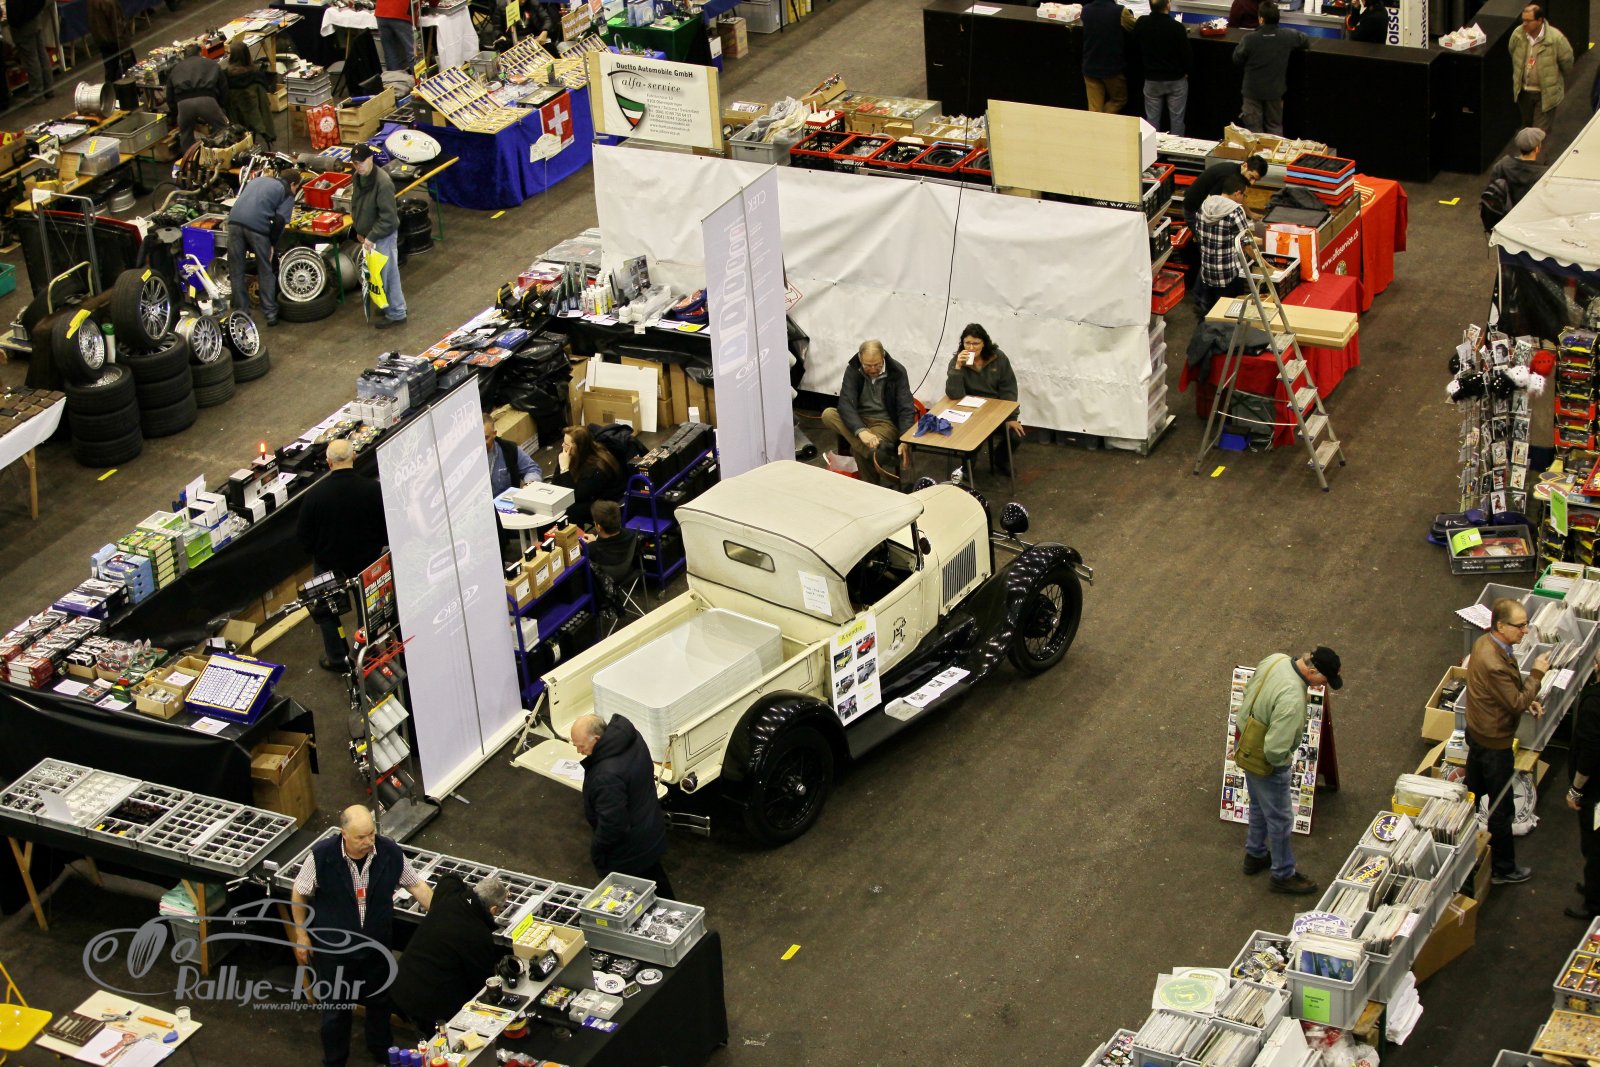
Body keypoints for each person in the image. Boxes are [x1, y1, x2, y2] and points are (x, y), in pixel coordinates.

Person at [291, 806, 433, 1067]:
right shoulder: (321, 856)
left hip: (376, 947)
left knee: (380, 1001)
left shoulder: (389, 852)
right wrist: (301, 934)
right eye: (361, 837)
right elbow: (299, 891)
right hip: (335, 952)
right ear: (344, 834)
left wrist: (440, 915)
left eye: (371, 834)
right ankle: (335, 1060)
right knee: (336, 1009)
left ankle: (381, 1051)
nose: (369, 841)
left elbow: (416, 885)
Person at [1235, 647, 1342, 895]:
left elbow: (1250, 690)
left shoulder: (1276, 659)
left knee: (1258, 805)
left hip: (1245, 740)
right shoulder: (1293, 697)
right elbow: (1275, 750)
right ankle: (1283, 874)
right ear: (1312, 671)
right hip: (1264, 757)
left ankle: (1255, 854)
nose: (1323, 686)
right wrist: (1283, 765)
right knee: (1281, 819)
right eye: (1324, 680)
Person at [1466, 597, 1550, 886]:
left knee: (1472, 793)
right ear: (1501, 626)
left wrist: (1528, 700)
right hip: (1494, 744)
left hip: (1479, 732)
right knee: (1501, 808)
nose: (1525, 631)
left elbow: (1505, 694)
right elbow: (1514, 702)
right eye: (1520, 625)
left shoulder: (1486, 644)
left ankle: (1465, 847)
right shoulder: (1494, 662)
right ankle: (1503, 869)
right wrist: (1536, 675)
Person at [295, 438, 389, 672]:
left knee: (327, 610)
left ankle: (337, 658)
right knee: (369, 608)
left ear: (328, 463)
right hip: (367, 561)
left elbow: (303, 536)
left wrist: (318, 553)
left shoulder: (315, 496)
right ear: (354, 456)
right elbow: (385, 525)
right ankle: (367, 653)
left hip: (328, 564)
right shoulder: (372, 489)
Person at [570, 713, 674, 899]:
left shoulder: (605, 776)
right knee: (658, 885)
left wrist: (597, 851)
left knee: (640, 899)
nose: (579, 751)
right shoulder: (632, 739)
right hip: (649, 830)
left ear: (596, 739)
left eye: (581, 746)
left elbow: (613, 825)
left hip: (631, 851)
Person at [389, 873, 504, 1030]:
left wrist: (469, 895)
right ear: (493, 909)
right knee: (437, 1039)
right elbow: (482, 984)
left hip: (401, 984)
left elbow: (450, 878)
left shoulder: (449, 895)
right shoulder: (479, 935)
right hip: (428, 1006)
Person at [819, 340, 915, 487]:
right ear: (860, 358)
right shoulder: (853, 370)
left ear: (883, 356)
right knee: (828, 414)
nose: (873, 369)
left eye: (877, 365)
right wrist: (861, 431)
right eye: (868, 365)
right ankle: (878, 454)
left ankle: (871, 487)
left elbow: (906, 408)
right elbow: (846, 403)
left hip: (885, 423)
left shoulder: (897, 371)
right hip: (859, 419)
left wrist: (905, 439)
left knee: (857, 449)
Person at [227, 168, 302, 327]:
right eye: (297, 188)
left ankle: (241, 313)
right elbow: (280, 221)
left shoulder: (257, 180)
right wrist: (272, 244)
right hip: (257, 228)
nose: (295, 191)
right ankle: (270, 313)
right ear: (293, 184)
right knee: (265, 269)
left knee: (236, 270)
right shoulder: (287, 192)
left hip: (233, 223)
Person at [944, 324, 1023, 475]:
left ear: (984, 343)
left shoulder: (998, 358)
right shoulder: (957, 361)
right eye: (967, 343)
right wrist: (958, 367)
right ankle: (968, 467)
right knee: (972, 437)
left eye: (976, 343)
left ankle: (1001, 460)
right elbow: (954, 394)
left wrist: (1011, 417)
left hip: (995, 411)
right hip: (970, 411)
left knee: (1015, 435)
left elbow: (1009, 388)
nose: (971, 348)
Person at [350, 144, 407, 330]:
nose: (359, 166)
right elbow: (357, 204)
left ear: (370, 159)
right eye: (355, 163)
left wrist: (372, 236)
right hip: (370, 236)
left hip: (383, 235)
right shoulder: (358, 177)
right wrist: (359, 229)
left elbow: (389, 218)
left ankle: (397, 312)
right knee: (379, 275)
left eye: (361, 162)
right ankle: (388, 306)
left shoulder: (383, 183)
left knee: (388, 274)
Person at [1233, 1, 1309, 136]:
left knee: (1254, 132)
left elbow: (1237, 58)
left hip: (1252, 92)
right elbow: (1304, 40)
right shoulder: (1287, 36)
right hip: (1275, 92)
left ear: (1261, 19)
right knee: (1275, 128)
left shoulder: (1249, 39)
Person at [1565, 658, 1600, 920]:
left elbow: (1590, 752)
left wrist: (1576, 790)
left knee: (1595, 846)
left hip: (1596, 792)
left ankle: (1594, 903)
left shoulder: (1594, 703)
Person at [1509, 3, 1574, 133]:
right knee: (1527, 129)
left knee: (1538, 134)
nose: (1524, 24)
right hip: (1524, 93)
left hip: (1545, 95)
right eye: (1523, 20)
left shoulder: (1556, 38)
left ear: (1540, 21)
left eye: (1528, 20)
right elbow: (1512, 51)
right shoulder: (1518, 34)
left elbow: (1567, 62)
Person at [1194, 172, 1252, 314]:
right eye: (1244, 195)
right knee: (1227, 315)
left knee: (1208, 314)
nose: (1243, 199)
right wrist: (1266, 265)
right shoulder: (1235, 212)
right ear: (1237, 193)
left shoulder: (1205, 205)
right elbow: (1246, 244)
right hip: (1228, 275)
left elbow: (1199, 234)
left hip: (1207, 272)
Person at [1134, 0, 1191, 135]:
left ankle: (1151, 147)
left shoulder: (1142, 23)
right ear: (1168, 5)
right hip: (1175, 80)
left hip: (1152, 79)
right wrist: (1187, 71)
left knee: (1152, 121)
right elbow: (1186, 55)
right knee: (1177, 120)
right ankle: (1177, 148)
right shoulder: (1177, 27)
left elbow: (1135, 48)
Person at [554, 424, 624, 526]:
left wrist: (564, 468)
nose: (562, 446)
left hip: (601, 504)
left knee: (567, 512)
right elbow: (555, 484)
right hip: (582, 497)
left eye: (566, 444)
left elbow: (574, 497)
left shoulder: (597, 467)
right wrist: (562, 467)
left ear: (578, 447)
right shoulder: (569, 456)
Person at [166, 44, 230, 152]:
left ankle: (189, 159)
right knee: (222, 130)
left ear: (184, 56)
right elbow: (223, 87)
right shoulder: (211, 64)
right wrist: (222, 106)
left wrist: (176, 112)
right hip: (207, 100)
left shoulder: (175, 69)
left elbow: (169, 96)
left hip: (184, 104)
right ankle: (223, 154)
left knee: (185, 134)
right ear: (200, 53)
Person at [1081, 0, 1137, 115]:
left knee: (1094, 110)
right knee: (1119, 99)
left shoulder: (1085, 10)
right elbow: (1134, 27)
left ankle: (1097, 123)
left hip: (1090, 64)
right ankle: (1103, 121)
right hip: (1111, 67)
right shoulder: (1120, 11)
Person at [1182, 155, 1267, 231]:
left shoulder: (1239, 173)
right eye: (1252, 177)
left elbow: (1238, 196)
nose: (1252, 182)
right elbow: (1211, 202)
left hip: (1204, 208)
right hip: (1194, 209)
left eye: (1256, 180)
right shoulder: (1228, 175)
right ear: (1245, 166)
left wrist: (1251, 214)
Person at [225, 41, 277, 148]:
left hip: (236, 118)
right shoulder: (256, 75)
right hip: (255, 116)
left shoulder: (226, 76)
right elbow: (264, 104)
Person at [484, 412, 542, 496]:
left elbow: (532, 469)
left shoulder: (509, 450)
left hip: (507, 502)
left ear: (494, 434)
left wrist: (528, 486)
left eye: (486, 438)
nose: (482, 443)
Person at [1488, 127, 1548, 207]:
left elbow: (1492, 185)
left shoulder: (1503, 164)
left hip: (1504, 210)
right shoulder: (1543, 173)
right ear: (1537, 149)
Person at [7, 0, 54, 99]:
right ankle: (48, 89)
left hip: (24, 23)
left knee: (31, 60)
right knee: (41, 55)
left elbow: (15, 8)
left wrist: (14, 22)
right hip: (34, 17)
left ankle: (37, 94)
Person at [88, 0, 133, 85]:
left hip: (103, 41)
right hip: (115, 42)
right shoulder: (109, 2)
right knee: (127, 74)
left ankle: (111, 90)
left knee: (111, 72)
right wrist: (125, 48)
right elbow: (118, 27)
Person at [375, 0, 418, 73]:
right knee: (412, 52)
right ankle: (419, 78)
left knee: (390, 53)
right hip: (401, 12)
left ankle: (395, 78)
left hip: (381, 12)